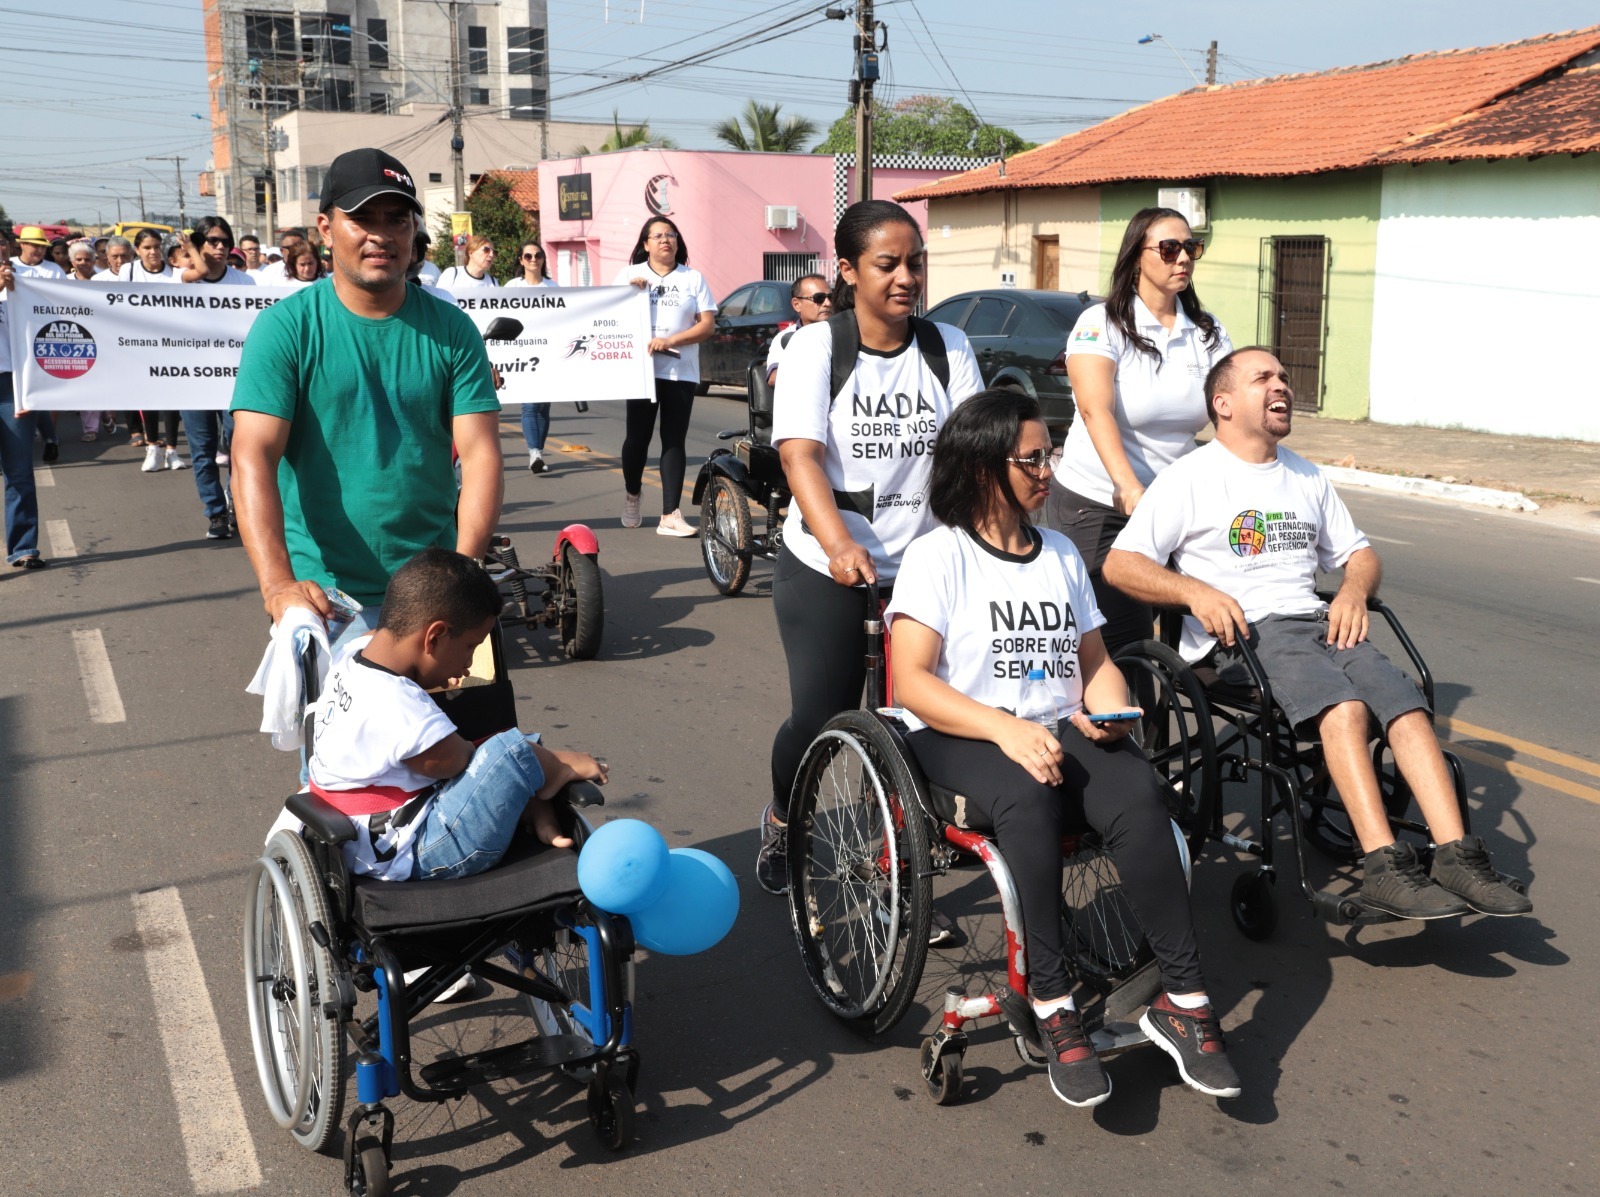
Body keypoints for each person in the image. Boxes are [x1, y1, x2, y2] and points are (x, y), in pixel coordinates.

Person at [887, 389, 1240, 1106]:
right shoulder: (938, 555)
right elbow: (911, 681)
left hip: (1054, 728)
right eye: (1032, 458)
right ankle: (1053, 1003)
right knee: (1026, 794)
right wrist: (1003, 727)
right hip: (962, 734)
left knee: (1140, 790)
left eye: (1048, 455)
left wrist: (1111, 710)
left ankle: (1185, 998)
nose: (1048, 470)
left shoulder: (1059, 554)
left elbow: (1096, 662)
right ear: (986, 466)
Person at [1103, 348, 1533, 920]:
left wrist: (1353, 591)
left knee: (1406, 705)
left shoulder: (1304, 473)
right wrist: (1194, 593)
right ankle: (1384, 866)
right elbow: (1120, 564)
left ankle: (1457, 856)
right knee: (1346, 709)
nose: (1281, 384)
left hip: (1315, 623)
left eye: (1283, 375)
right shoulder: (1191, 477)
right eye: (1264, 378)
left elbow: (1360, 554)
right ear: (1223, 403)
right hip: (1242, 637)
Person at [757, 198, 985, 895]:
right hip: (826, 564)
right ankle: (782, 817)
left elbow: (974, 457)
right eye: (888, 264)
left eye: (915, 262)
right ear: (849, 271)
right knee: (822, 715)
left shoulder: (948, 347)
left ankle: (897, 874)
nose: (906, 277)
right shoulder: (816, 347)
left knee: (912, 721)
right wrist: (836, 544)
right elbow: (800, 456)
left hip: (919, 571)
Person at [231, 145, 503, 647]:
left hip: (431, 593)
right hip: (325, 602)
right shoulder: (285, 330)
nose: (381, 234)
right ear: (326, 229)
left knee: (459, 727)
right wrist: (277, 587)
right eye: (361, 219)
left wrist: (461, 572)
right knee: (330, 728)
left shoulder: (452, 330)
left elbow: (482, 452)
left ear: (412, 232)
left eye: (396, 219)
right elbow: (252, 455)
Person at [310, 548, 608, 879]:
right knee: (510, 750)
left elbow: (373, 637)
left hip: (355, 828)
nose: (467, 666)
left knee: (505, 751)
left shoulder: (351, 657)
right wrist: (549, 759)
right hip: (421, 850)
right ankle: (555, 772)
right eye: (469, 648)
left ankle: (533, 802)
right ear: (434, 637)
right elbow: (462, 761)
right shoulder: (397, 703)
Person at [1046, 207, 1232, 658]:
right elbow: (1095, 410)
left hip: (1172, 502)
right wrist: (1127, 486)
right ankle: (1114, 722)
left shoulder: (1206, 333)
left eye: (1191, 247)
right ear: (1137, 257)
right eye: (1169, 249)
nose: (1182, 258)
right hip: (1100, 501)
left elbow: (1232, 413)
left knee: (1208, 620)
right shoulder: (1101, 323)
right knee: (1116, 638)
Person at [612, 215, 716, 536]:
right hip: (642, 371)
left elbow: (707, 325)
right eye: (657, 236)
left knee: (673, 441)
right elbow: (606, 315)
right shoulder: (630, 275)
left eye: (670, 234)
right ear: (645, 244)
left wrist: (671, 341)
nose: (665, 240)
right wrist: (628, 293)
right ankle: (632, 494)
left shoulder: (693, 278)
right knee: (637, 440)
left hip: (680, 371)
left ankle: (670, 514)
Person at [179, 216, 254, 539]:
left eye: (225, 241)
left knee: (239, 449)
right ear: (199, 244)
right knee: (203, 451)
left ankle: (238, 503)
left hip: (235, 383)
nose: (221, 247)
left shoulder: (245, 283)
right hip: (192, 382)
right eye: (212, 241)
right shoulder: (182, 280)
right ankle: (215, 512)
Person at [0, 252, 46, 568]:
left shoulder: (20, 287)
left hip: (11, 386)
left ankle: (23, 547)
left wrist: (28, 389)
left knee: (19, 473)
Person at [124, 229, 184, 463]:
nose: (153, 252)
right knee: (148, 397)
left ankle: (171, 450)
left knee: (170, 399)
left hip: (171, 345)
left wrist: (188, 248)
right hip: (141, 345)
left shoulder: (174, 272)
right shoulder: (129, 271)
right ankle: (152, 447)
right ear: (137, 250)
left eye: (157, 247)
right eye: (147, 247)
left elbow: (200, 272)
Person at [10, 227, 64, 460]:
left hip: (44, 336)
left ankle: (50, 437)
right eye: (35, 245)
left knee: (37, 393)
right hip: (12, 336)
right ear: (22, 245)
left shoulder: (53, 270)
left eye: (43, 246)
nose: (39, 249)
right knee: (18, 394)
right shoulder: (10, 266)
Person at [505, 239, 556, 473]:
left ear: (544, 259)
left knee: (544, 408)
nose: (533, 259)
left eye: (538, 255)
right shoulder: (512, 287)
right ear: (521, 260)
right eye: (528, 256)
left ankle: (539, 452)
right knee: (530, 405)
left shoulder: (553, 288)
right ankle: (534, 452)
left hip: (547, 353)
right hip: (521, 353)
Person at [763, 273, 833, 385]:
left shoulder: (842, 333)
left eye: (830, 297)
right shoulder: (785, 338)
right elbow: (774, 378)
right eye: (818, 298)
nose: (827, 303)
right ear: (797, 304)